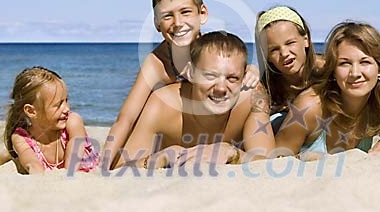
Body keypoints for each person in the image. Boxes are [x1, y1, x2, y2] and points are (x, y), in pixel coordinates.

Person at [104, 0, 259, 169]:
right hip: (166, 133)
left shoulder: (211, 51)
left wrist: (251, 69)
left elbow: (231, 66)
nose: (178, 23)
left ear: (202, 14)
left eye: (185, 12)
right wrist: (103, 168)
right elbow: (126, 118)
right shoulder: (157, 64)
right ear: (157, 23)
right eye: (168, 16)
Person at [112, 31, 275, 169]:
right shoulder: (162, 105)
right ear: (190, 73)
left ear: (244, 76)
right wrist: (160, 159)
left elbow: (270, 165)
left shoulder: (253, 97)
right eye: (210, 76)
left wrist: (233, 153)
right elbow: (120, 169)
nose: (221, 88)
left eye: (232, 78)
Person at [274, 21, 380, 160]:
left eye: (364, 62)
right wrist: (304, 158)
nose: (355, 73)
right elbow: (274, 161)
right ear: (333, 70)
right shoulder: (310, 107)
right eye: (345, 63)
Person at [1, 66, 100, 174]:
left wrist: (67, 178)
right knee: (21, 155)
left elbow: (72, 166)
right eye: (58, 105)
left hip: (85, 163)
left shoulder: (72, 122)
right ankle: (10, 155)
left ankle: (10, 154)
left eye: (66, 100)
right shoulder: (21, 138)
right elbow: (33, 165)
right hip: (26, 150)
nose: (67, 108)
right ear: (31, 111)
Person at [254, 5, 321, 133]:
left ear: (306, 40)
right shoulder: (267, 87)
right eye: (274, 49)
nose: (284, 53)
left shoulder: (328, 70)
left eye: (290, 43)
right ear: (266, 56)